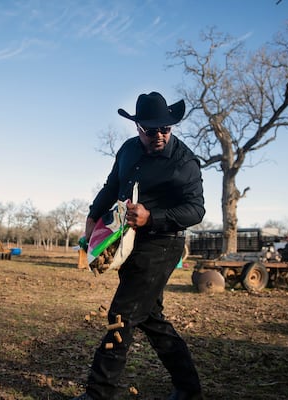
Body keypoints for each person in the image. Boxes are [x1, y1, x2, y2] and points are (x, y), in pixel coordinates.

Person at [74, 92, 205, 400]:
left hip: (162, 244)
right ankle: (189, 388)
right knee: (151, 317)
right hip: (128, 242)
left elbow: (196, 210)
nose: (159, 134)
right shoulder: (128, 150)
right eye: (151, 129)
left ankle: (98, 393)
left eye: (165, 129)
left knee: (122, 314)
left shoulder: (183, 162)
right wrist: (93, 217)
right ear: (138, 128)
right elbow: (111, 186)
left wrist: (152, 217)